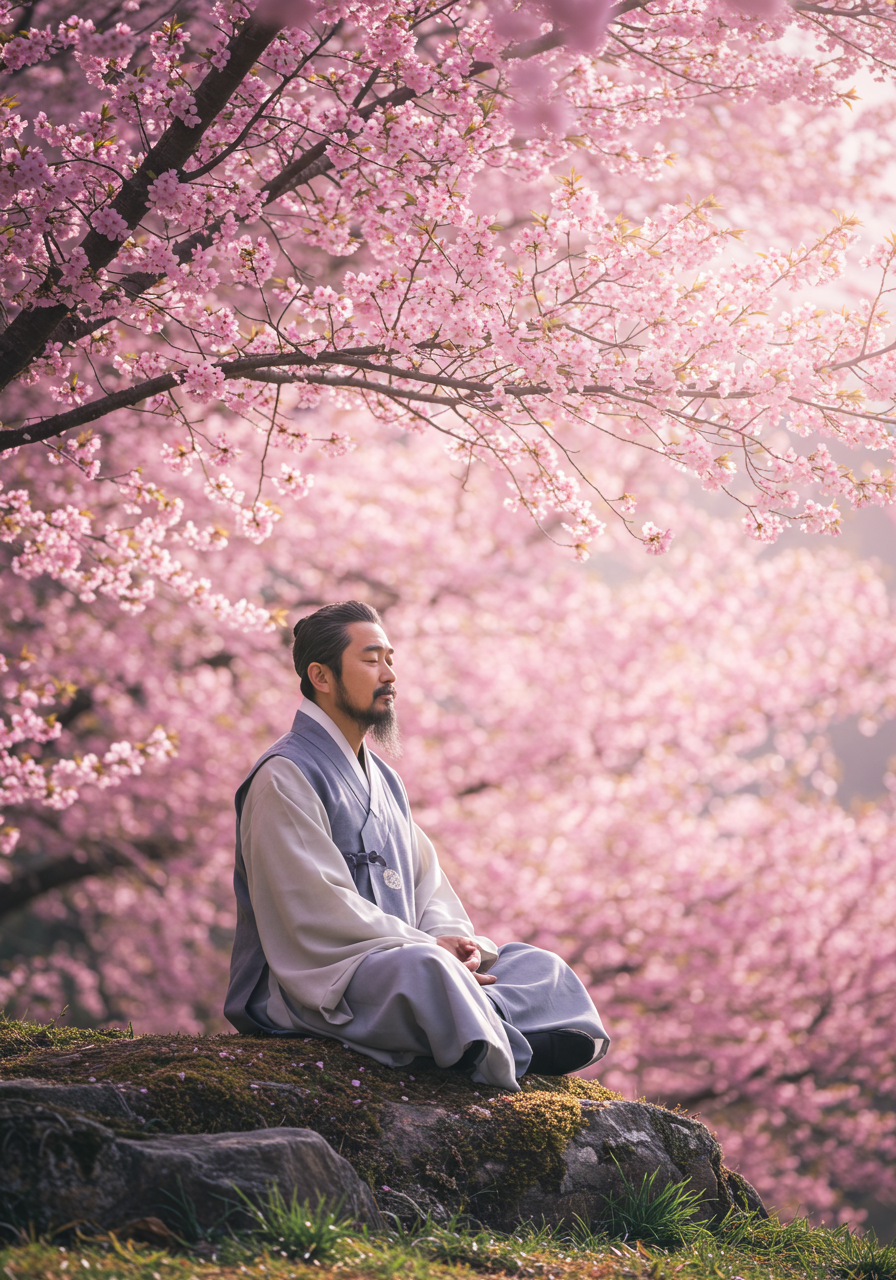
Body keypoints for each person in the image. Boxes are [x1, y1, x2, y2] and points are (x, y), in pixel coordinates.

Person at [225, 601, 609, 1091]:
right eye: (371, 660)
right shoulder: (284, 775)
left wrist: (458, 945)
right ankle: (494, 1031)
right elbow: (314, 907)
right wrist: (430, 947)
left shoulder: (385, 780)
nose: (389, 675)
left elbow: (428, 884)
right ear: (321, 676)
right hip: (320, 981)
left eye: (390, 659)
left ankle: (478, 1022)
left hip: (405, 965)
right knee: (425, 970)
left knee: (535, 964)